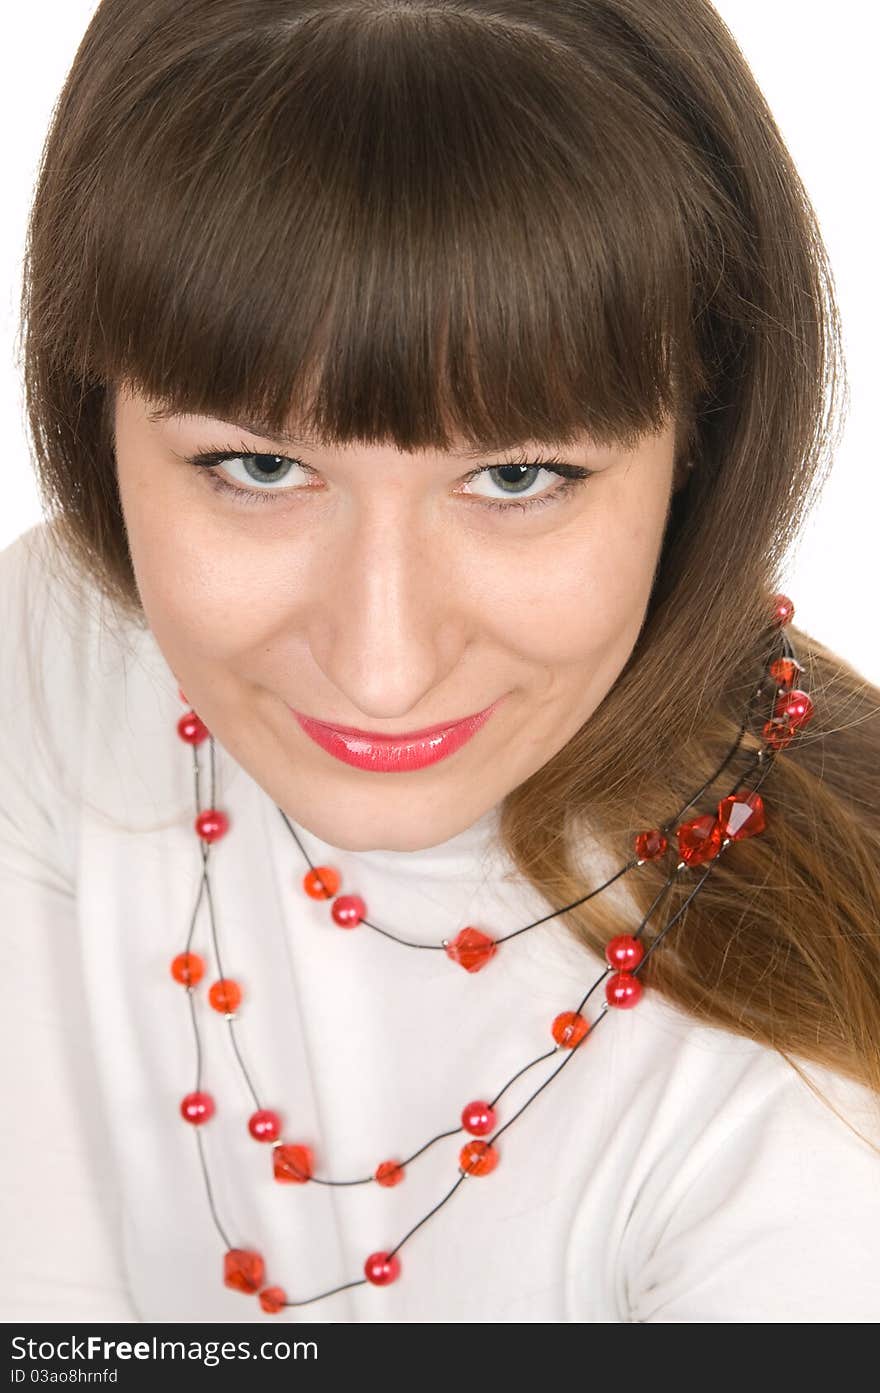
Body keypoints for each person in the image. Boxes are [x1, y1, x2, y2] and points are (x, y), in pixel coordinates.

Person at [2, 0, 879, 1325]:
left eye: (519, 475)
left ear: (702, 443)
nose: (382, 664)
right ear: (95, 417)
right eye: (260, 465)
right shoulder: (78, 652)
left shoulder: (813, 1136)